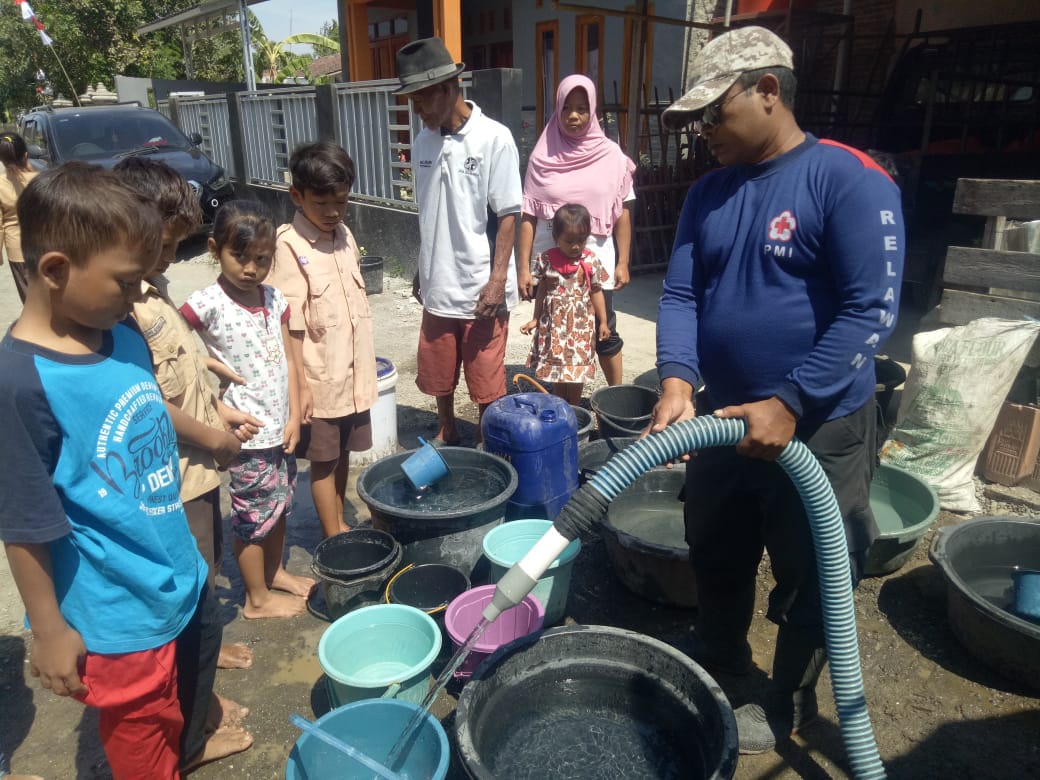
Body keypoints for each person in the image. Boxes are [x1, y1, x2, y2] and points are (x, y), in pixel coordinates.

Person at [652, 26, 904, 754]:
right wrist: (676, 379)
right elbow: (680, 293)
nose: (703, 133)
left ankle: (788, 697)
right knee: (716, 548)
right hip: (724, 420)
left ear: (768, 91)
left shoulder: (849, 179)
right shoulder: (709, 192)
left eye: (712, 113)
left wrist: (791, 398)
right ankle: (722, 656)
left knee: (816, 571)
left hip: (819, 426)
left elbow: (871, 311)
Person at [0, 162, 208, 777]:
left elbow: (150, 411)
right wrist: (48, 629)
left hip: (166, 573)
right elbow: (24, 519)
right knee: (140, 738)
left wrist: (214, 439)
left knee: (167, 712)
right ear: (56, 271)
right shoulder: (21, 384)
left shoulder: (118, 334)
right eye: (125, 281)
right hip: (114, 608)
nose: (137, 296)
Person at [114, 157, 257, 768]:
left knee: (204, 581)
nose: (172, 257)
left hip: (197, 469)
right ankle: (193, 736)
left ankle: (200, 702)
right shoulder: (126, 308)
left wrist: (217, 409)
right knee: (191, 606)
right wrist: (216, 436)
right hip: (175, 475)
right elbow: (148, 400)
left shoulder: (154, 291)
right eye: (167, 245)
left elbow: (181, 373)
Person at [181, 200, 309, 619]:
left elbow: (290, 360)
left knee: (279, 506)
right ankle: (256, 598)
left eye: (262, 259)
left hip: (280, 429)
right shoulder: (207, 303)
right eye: (240, 256)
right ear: (215, 249)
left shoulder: (274, 299)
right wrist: (213, 396)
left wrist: (294, 415)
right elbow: (172, 349)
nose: (251, 268)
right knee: (253, 516)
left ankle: (275, 573)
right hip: (247, 434)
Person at [395, 36, 523, 445]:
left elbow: (508, 215)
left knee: (486, 378)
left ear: (449, 89)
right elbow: (429, 212)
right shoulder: (422, 142)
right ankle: (447, 429)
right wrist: (422, 267)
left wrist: (497, 280)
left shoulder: (494, 138)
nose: (416, 110)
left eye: (421, 100)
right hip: (438, 282)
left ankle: (489, 441)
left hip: (480, 284)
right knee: (438, 371)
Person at [267, 141, 377, 539]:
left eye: (341, 203)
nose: (332, 213)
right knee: (322, 460)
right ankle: (333, 536)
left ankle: (340, 522)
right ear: (297, 196)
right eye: (321, 203)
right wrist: (299, 387)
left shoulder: (344, 234)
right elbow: (289, 325)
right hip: (319, 380)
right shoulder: (287, 246)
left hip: (349, 375)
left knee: (343, 452)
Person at [518, 74, 635, 386]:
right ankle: (563, 404)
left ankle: (615, 399)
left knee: (603, 326)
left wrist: (623, 262)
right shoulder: (543, 156)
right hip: (551, 265)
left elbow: (622, 210)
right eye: (566, 108)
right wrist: (522, 270)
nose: (573, 115)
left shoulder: (611, 156)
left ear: (592, 111)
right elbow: (528, 216)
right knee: (555, 329)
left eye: (582, 108)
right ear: (557, 109)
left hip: (594, 263)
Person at [520, 203, 611, 404]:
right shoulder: (546, 260)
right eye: (569, 241)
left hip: (580, 329)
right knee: (558, 369)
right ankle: (561, 403)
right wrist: (535, 318)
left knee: (578, 369)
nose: (576, 246)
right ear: (556, 238)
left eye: (581, 240)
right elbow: (542, 290)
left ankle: (575, 406)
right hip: (554, 328)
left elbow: (596, 291)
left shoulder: (590, 261)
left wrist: (603, 321)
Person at [0, 132, 38, 302]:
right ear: (26, 156)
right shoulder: (40, 180)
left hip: (17, 250)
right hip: (45, 247)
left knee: (29, 300)